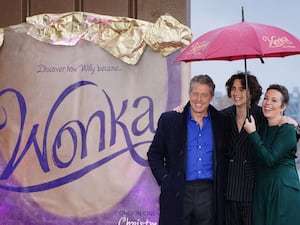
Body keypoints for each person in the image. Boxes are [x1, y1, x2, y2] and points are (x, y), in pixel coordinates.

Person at [147, 74, 230, 225]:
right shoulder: (170, 120)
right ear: (189, 94)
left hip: (209, 193)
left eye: (204, 95)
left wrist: (285, 119)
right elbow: (154, 154)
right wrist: (166, 180)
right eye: (195, 93)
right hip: (179, 190)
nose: (199, 99)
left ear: (211, 96)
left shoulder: (222, 121)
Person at [244, 84, 300, 225]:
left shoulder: (287, 129)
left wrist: (252, 133)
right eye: (266, 98)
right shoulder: (262, 127)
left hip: (282, 189)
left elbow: (270, 159)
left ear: (283, 106)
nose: (268, 103)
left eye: (274, 100)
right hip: (263, 188)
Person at [222, 72, 264, 225]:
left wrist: (293, 124)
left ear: (251, 93)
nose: (236, 93)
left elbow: (279, 135)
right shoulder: (224, 116)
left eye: (242, 89)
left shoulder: (262, 116)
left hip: (252, 189)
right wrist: (181, 111)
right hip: (228, 188)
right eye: (233, 88)